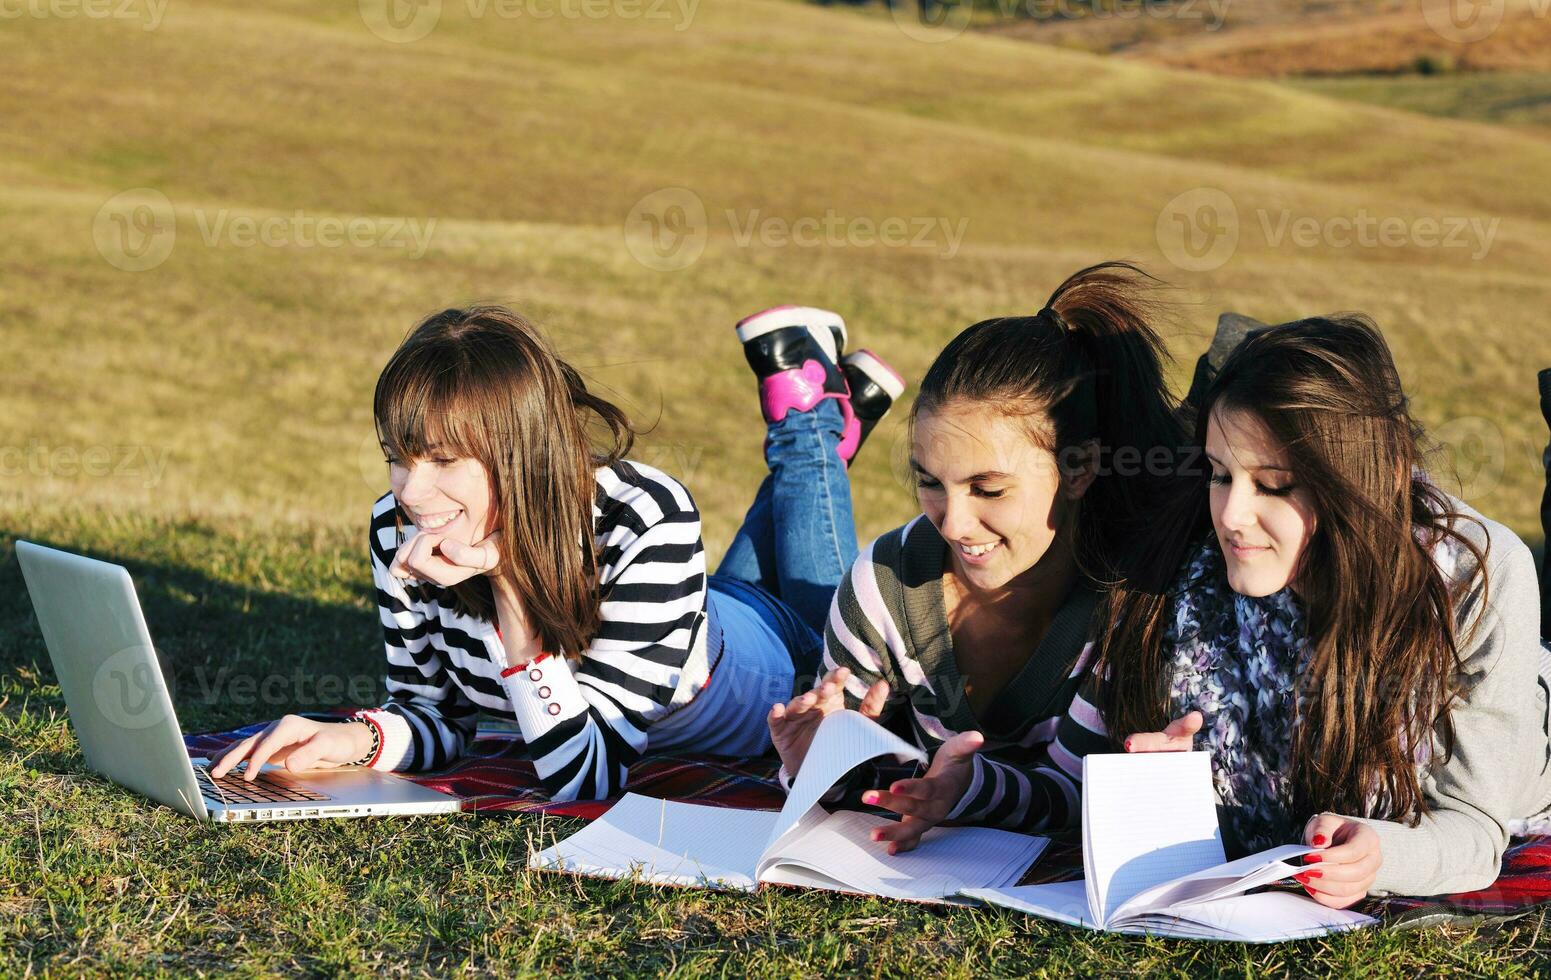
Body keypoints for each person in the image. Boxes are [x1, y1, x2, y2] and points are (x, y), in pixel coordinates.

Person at [210, 303, 905, 801]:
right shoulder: (397, 527)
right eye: (398, 458)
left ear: (521, 453)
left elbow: (587, 775)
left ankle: (809, 418)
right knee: (781, 538)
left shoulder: (645, 518)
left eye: (446, 461)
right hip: (677, 619)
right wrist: (351, 740)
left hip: (771, 660)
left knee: (823, 622)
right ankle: (834, 414)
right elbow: (435, 715)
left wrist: (507, 593)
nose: (413, 494)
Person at [1097, 315, 1551, 907]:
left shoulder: (1476, 577)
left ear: (1359, 483)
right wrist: (1167, 789)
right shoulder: (1187, 573)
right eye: (1219, 474)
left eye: (1275, 485)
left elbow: (1474, 825)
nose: (1231, 514)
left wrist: (1381, 854)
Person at [766, 261, 1187, 852]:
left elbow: (1079, 792)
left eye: (988, 489)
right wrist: (814, 762)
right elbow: (851, 786)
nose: (955, 525)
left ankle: (812, 424)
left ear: (1079, 469)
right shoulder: (881, 585)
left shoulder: (1127, 603)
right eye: (931, 482)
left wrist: (967, 791)